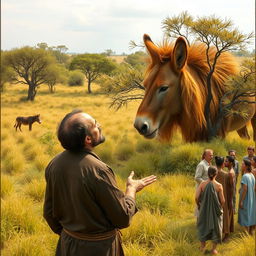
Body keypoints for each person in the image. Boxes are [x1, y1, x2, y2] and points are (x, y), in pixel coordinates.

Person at [43, 110, 157, 256]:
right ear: (88, 139)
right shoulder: (99, 170)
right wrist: (131, 189)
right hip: (100, 249)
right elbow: (123, 218)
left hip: (67, 245)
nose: (100, 125)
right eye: (96, 125)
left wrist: (71, 234)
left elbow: (48, 213)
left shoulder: (54, 164)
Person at [196, 166, 225, 255]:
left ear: (208, 173)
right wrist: (220, 208)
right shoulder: (219, 186)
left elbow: (196, 197)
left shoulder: (202, 184)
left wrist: (199, 206)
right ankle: (213, 249)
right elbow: (222, 200)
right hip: (215, 210)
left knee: (203, 226)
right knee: (216, 227)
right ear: (216, 174)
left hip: (204, 209)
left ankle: (202, 247)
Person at [215, 156, 234, 241]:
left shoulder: (212, 173)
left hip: (215, 198)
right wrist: (230, 200)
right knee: (225, 215)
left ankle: (216, 234)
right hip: (224, 198)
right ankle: (226, 235)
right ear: (223, 164)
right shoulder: (226, 175)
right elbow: (231, 188)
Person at [238, 159, 256, 235]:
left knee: (245, 216)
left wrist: (241, 201)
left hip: (246, 199)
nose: (241, 166)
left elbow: (245, 189)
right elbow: (252, 187)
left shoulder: (245, 176)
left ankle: (246, 235)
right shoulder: (251, 175)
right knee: (250, 215)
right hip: (251, 198)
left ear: (246, 166)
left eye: (242, 164)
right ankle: (250, 233)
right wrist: (240, 188)